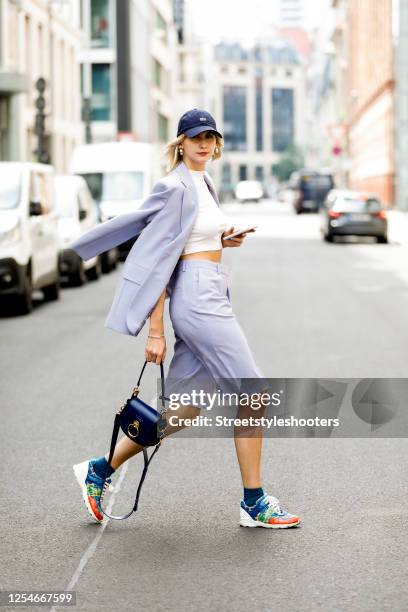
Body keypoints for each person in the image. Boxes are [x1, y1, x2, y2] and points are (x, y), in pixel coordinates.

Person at [73, 109, 301, 529]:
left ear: (217, 144)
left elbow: (189, 240)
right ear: (180, 142)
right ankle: (254, 502)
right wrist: (155, 330)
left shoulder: (205, 182)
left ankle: (100, 469)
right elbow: (158, 257)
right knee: (255, 394)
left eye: (210, 137)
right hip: (197, 298)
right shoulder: (173, 187)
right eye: (195, 137)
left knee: (185, 409)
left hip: (211, 285)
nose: (203, 143)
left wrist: (222, 239)